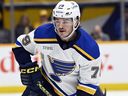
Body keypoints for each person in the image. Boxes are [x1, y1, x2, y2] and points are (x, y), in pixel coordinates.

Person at [12, 1, 105, 96]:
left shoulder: (90, 49)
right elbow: (20, 46)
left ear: (76, 21)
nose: (60, 26)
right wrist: (29, 68)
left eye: (65, 21)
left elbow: (87, 89)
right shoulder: (43, 33)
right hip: (45, 84)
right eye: (57, 20)